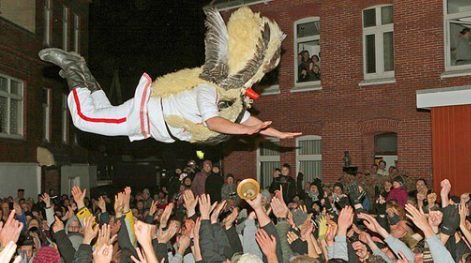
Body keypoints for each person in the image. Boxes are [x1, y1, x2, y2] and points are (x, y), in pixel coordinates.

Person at [38, 8, 301, 145]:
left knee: (103, 110)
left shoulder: (230, 101)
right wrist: (244, 130)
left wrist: (276, 133)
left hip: (148, 121)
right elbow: (214, 123)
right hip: (144, 117)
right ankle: (73, 70)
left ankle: (84, 73)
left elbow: (246, 118)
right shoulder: (207, 91)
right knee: (85, 120)